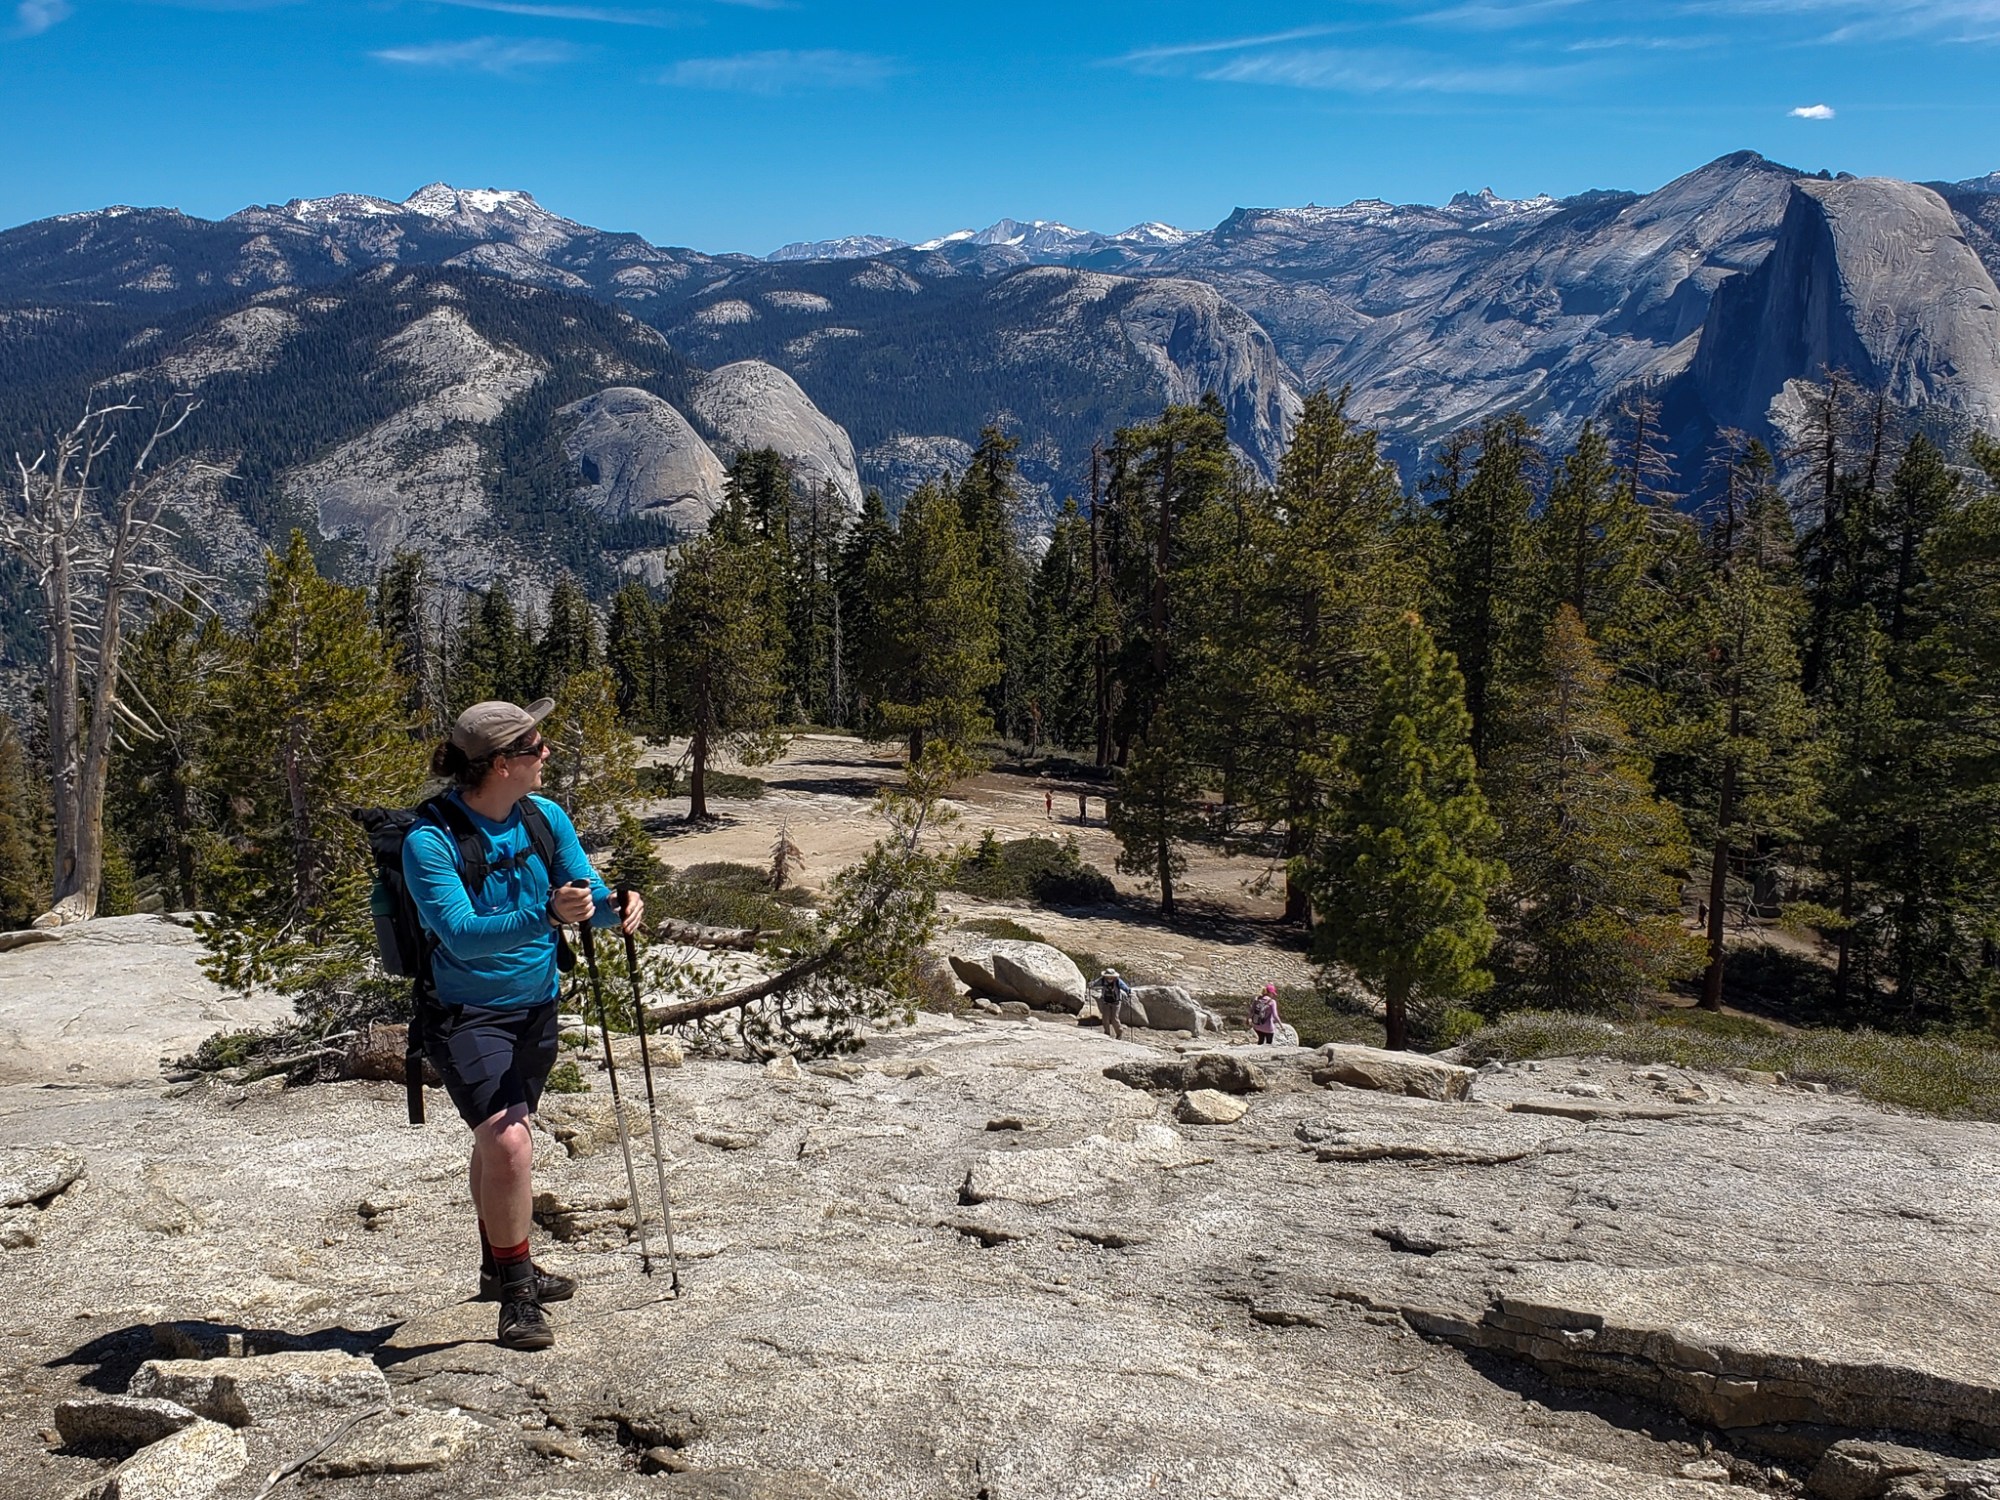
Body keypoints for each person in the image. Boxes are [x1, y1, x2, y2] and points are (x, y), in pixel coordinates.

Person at [404, 698, 644, 1352]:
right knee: (510, 1143)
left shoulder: (544, 818)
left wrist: (615, 905)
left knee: (501, 1140)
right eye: (537, 747)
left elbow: (583, 898)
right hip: (465, 1014)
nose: (547, 756)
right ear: (502, 762)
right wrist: (547, 916)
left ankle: (496, 1263)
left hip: (536, 1006)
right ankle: (516, 1290)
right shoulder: (429, 842)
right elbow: (459, 935)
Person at [1094, 967, 1133, 1040]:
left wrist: (1128, 992)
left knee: (1114, 1018)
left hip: (1116, 1002)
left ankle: (1119, 1033)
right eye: (1108, 977)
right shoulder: (1102, 980)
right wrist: (1091, 985)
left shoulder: (1118, 981)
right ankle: (1107, 1033)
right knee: (1105, 1018)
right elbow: (1095, 983)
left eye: (1111, 977)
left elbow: (1124, 987)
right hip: (1106, 1001)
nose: (1110, 978)